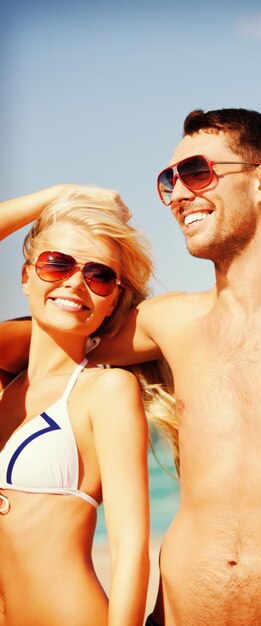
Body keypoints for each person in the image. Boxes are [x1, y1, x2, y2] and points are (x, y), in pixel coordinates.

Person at [2, 108, 261, 625]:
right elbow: (42, 329)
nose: (178, 194)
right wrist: (54, 197)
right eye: (168, 181)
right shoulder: (166, 324)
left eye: (197, 172)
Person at [0, 185, 176, 626]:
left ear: (113, 298)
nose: (75, 282)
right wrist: (60, 195)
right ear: (25, 276)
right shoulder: (6, 388)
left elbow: (131, 549)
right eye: (56, 263)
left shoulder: (105, 391)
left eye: (99, 275)